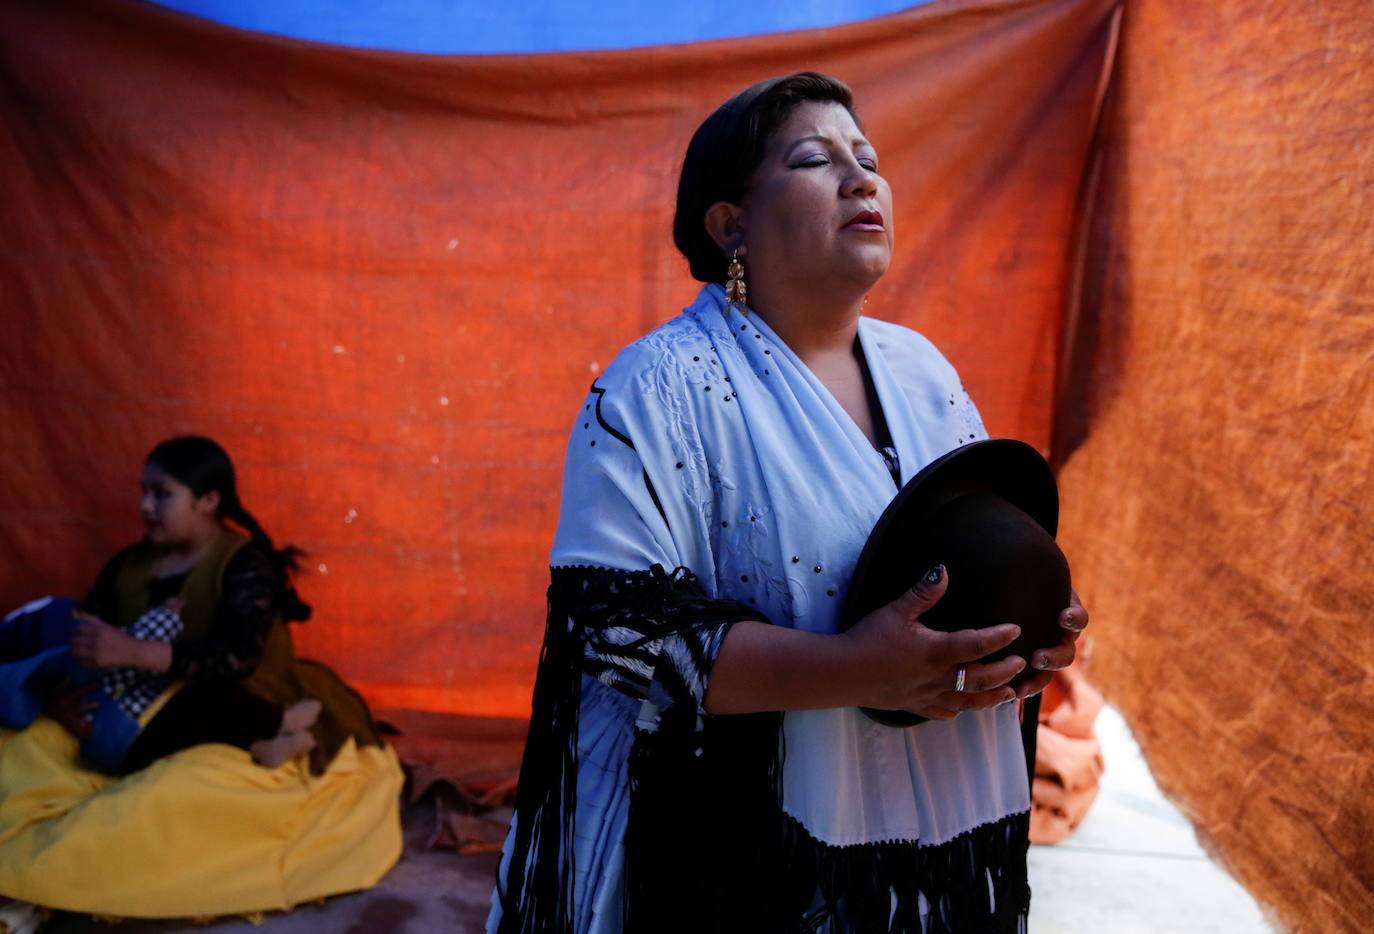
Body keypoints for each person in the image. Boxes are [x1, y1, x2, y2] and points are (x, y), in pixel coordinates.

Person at [488, 73, 1088, 934]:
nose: (861, 178)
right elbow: (616, 630)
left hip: (929, 847)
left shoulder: (923, 372)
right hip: (738, 854)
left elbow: (969, 551)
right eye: (814, 159)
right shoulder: (658, 387)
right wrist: (856, 668)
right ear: (730, 226)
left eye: (868, 159)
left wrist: (1019, 637)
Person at [1, 436, 382, 775]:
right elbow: (80, 645)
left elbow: (238, 659)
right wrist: (60, 702)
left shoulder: (245, 565)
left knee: (190, 783)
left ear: (208, 501)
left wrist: (135, 651)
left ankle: (269, 737)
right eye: (144, 492)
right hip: (135, 703)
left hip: (239, 698)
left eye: (162, 494)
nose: (145, 505)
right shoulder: (128, 565)